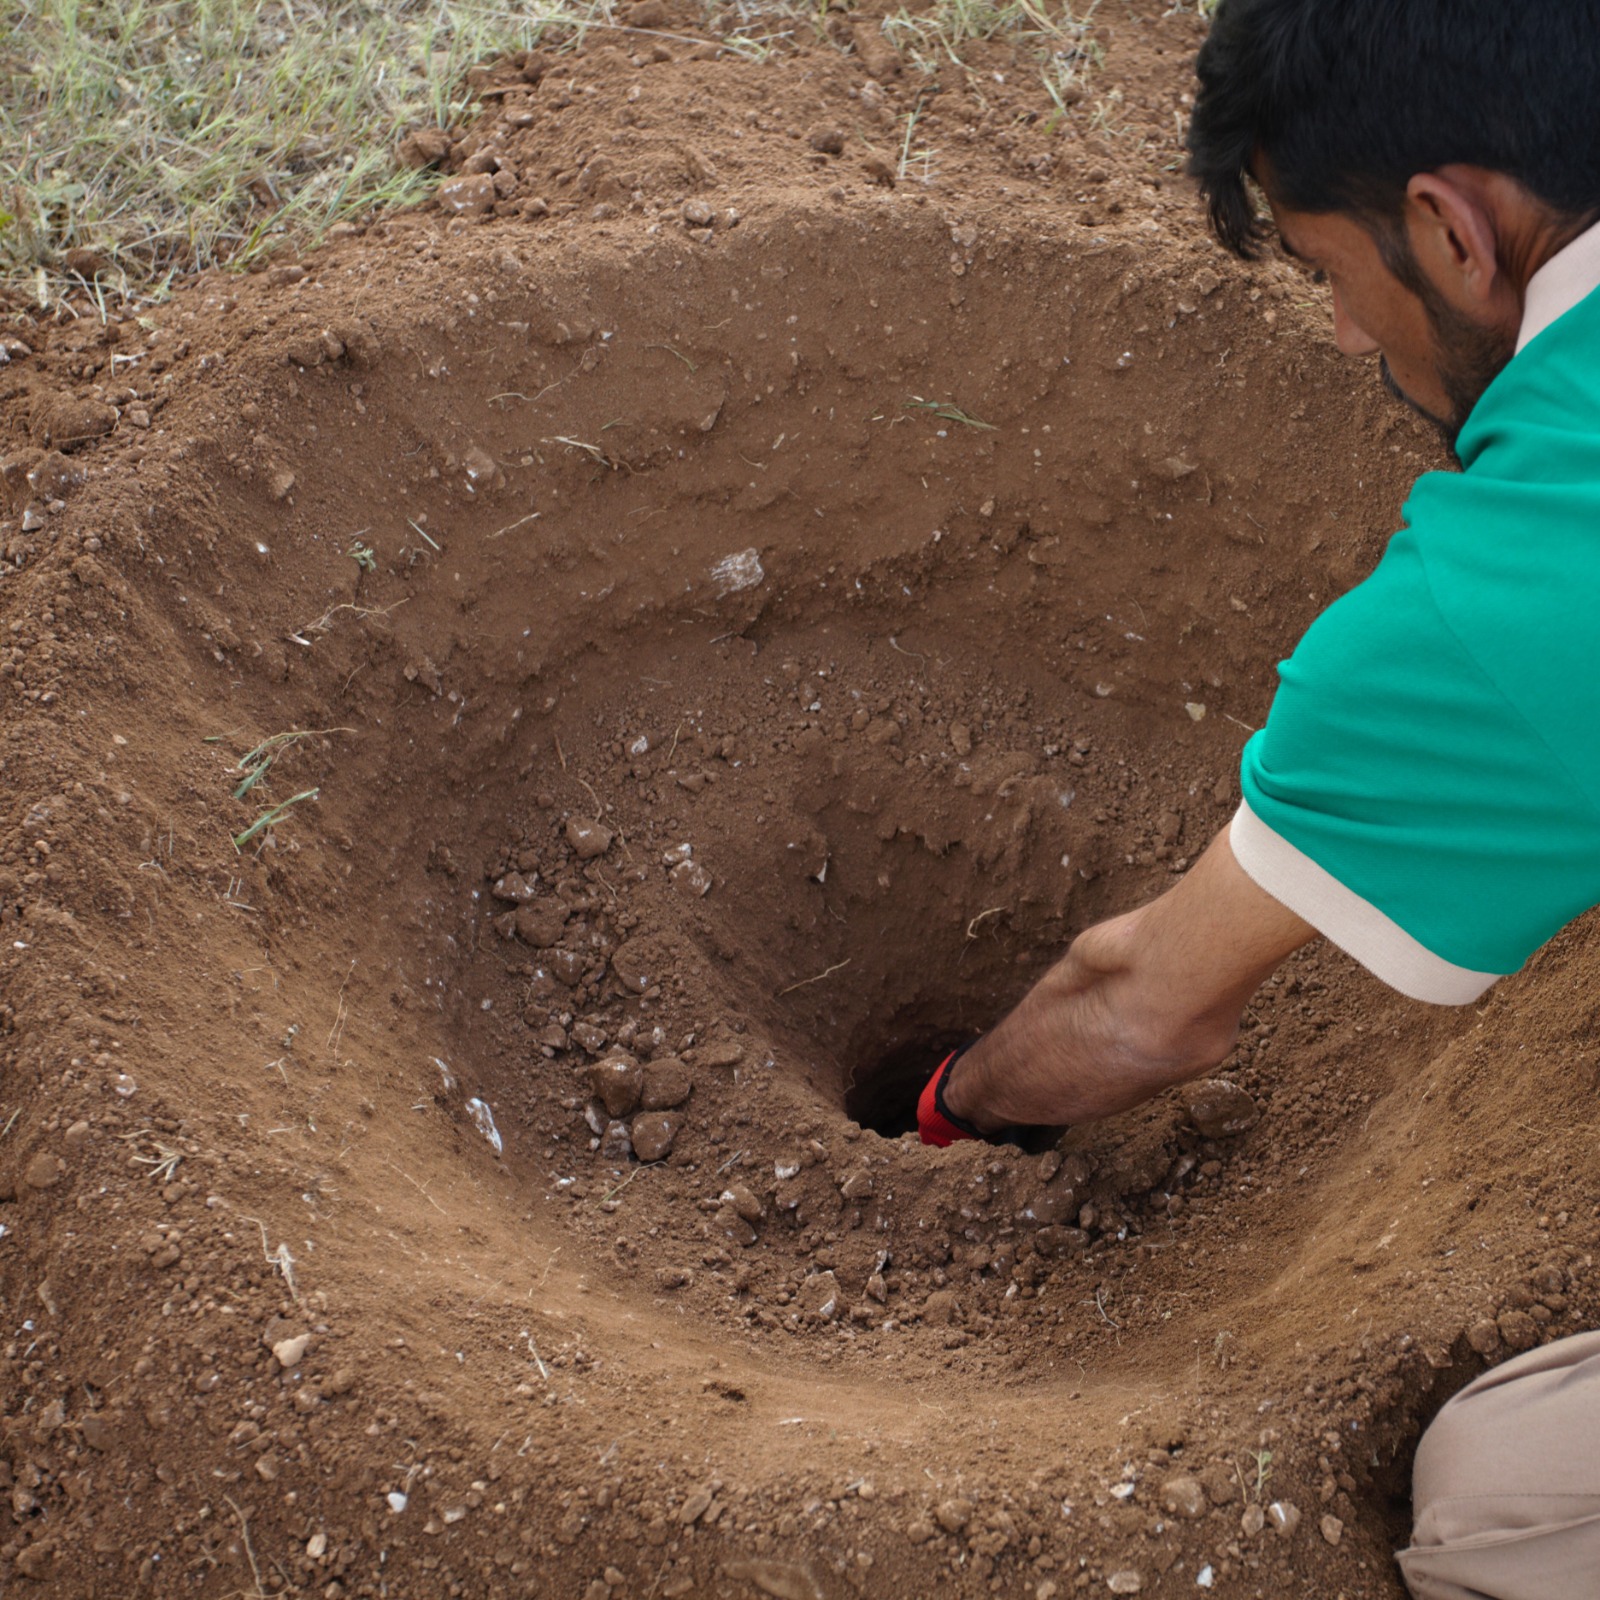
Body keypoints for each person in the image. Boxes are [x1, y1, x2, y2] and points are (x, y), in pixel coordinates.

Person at [915, 2, 1600, 1596]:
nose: (1349, 339)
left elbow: (1142, 1006)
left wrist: (951, 1106)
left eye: (1323, 276)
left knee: (1502, 1499)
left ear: (1445, 228)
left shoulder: (1499, 604)